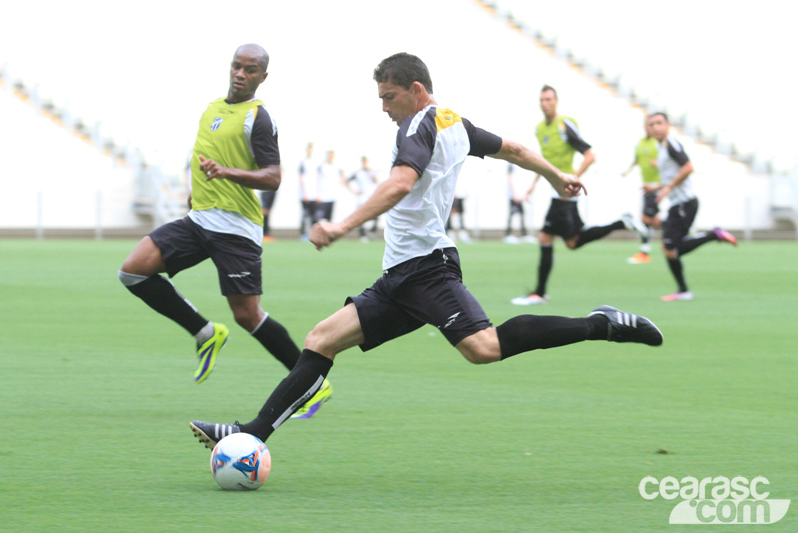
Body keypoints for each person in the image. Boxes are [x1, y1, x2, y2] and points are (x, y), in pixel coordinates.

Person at [189, 52, 663, 450]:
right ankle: (250, 435)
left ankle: (602, 324)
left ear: (416, 89)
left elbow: (400, 183)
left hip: (427, 271)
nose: (383, 108)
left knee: (484, 348)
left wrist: (341, 226)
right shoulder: (453, 121)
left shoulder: (418, 124)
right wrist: (554, 176)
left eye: (388, 97)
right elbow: (514, 149)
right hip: (399, 277)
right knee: (320, 340)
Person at [119, 44, 331, 419]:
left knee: (248, 315)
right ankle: (204, 333)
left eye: (250, 70)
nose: (240, 74)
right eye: (236, 66)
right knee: (134, 270)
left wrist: (227, 173)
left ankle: (312, 383)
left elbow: (273, 176)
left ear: (262, 77)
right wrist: (193, 194)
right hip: (200, 219)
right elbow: (203, 160)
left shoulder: (259, 119)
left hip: (236, 227)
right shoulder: (211, 108)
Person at [511, 85, 647, 306]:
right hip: (558, 192)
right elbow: (543, 163)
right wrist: (532, 186)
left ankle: (539, 293)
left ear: (556, 101)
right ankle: (621, 223)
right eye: (542, 100)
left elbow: (589, 155)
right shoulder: (540, 129)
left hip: (564, 193)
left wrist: (572, 178)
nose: (545, 103)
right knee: (573, 242)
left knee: (546, 237)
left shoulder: (565, 125)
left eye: (549, 99)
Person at [647, 112, 737, 301]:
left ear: (668, 125)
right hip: (678, 204)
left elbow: (688, 168)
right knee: (670, 248)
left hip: (684, 203)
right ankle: (683, 290)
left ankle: (713, 235)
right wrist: (657, 187)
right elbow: (673, 175)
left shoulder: (671, 145)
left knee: (671, 248)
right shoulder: (662, 147)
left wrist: (668, 188)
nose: (655, 127)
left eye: (659, 123)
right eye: (651, 124)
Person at [622, 118, 661, 263]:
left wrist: (657, 164)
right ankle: (679, 226)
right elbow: (637, 159)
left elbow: (667, 163)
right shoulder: (640, 143)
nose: (652, 128)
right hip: (646, 186)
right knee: (653, 220)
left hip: (657, 186)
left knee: (646, 219)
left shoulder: (658, 144)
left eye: (654, 125)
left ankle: (645, 251)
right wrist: (627, 170)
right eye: (649, 125)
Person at [344, 155, 380, 241]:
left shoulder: (371, 172)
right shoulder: (358, 173)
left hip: (371, 198)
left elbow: (375, 181)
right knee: (360, 218)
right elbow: (346, 181)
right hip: (361, 198)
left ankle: (372, 232)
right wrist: (354, 191)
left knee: (376, 216)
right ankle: (363, 236)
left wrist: (369, 171)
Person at [504, 163, 531, 243]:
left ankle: (524, 234)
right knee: (512, 214)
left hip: (518, 195)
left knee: (522, 214)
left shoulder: (519, 165)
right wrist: (514, 194)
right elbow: (510, 179)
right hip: (513, 196)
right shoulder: (511, 164)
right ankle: (508, 235)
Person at [314, 149, 343, 223]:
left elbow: (342, 178)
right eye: (330, 155)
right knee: (319, 218)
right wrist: (317, 194)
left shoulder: (337, 167)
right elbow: (316, 180)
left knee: (329, 219)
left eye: (332, 156)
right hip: (322, 197)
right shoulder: (322, 167)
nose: (331, 157)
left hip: (332, 197)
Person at [298, 142, 317, 241]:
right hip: (305, 195)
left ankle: (314, 235)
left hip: (314, 194)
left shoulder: (316, 163)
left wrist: (318, 193)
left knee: (314, 216)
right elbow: (301, 178)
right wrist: (304, 193)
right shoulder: (303, 162)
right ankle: (303, 234)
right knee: (305, 215)